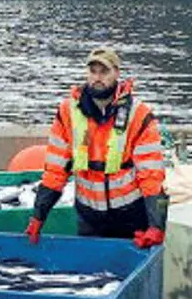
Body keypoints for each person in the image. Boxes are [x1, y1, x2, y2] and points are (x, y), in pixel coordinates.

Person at [25, 46, 168, 249]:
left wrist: (156, 226)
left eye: (104, 72)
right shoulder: (67, 112)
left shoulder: (139, 115)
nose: (97, 77)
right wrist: (38, 216)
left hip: (131, 217)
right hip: (89, 217)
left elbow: (152, 175)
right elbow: (55, 169)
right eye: (93, 72)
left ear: (117, 74)